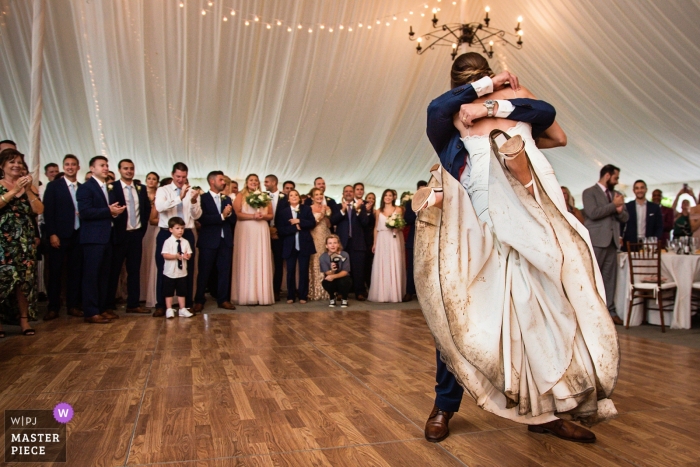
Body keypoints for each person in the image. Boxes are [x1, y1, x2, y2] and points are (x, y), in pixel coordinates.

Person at [417, 53, 616, 444]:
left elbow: (549, 117)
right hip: (477, 227)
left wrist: (496, 103)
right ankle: (444, 404)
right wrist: (485, 90)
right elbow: (436, 107)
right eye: (474, 82)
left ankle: (547, 412)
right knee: (462, 312)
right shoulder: (450, 116)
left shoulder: (516, 100)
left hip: (535, 220)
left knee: (541, 312)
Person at [0, 149, 43, 336]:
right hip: (3, 241)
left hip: (24, 241)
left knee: (24, 281)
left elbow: (39, 210)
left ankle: (24, 320)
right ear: (2, 166)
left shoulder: (28, 187)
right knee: (3, 281)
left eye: (19, 162)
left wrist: (27, 191)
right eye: (12, 162)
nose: (16, 165)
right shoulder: (0, 185)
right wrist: (14, 191)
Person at [77, 156, 124, 324]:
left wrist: (115, 211)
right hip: (93, 238)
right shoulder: (86, 188)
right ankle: (91, 311)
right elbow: (85, 212)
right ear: (92, 168)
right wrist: (108, 211)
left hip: (108, 236)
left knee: (105, 275)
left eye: (106, 165)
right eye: (102, 165)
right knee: (91, 275)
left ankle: (102, 308)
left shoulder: (108, 188)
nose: (105, 168)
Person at [582, 164, 629, 325]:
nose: (617, 182)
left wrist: (619, 210)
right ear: (607, 176)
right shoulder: (589, 192)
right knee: (593, 277)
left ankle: (610, 311)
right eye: (616, 178)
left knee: (610, 279)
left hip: (612, 242)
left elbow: (625, 218)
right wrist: (613, 206)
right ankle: (590, 312)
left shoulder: (616, 194)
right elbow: (592, 213)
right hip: (597, 240)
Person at [153, 163, 201, 317]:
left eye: (184, 177)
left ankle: (185, 305)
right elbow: (160, 207)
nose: (181, 180)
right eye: (178, 176)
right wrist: (178, 197)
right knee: (164, 268)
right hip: (167, 233)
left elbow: (197, 216)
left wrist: (193, 201)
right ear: (173, 175)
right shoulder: (163, 190)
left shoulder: (192, 191)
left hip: (186, 232)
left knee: (187, 269)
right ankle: (162, 305)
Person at [106, 159, 151, 314]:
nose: (129, 171)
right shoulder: (112, 188)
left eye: (131, 168)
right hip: (119, 235)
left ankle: (133, 304)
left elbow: (146, 209)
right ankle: (109, 304)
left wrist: (141, 230)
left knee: (134, 271)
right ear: (119, 170)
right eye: (125, 168)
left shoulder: (140, 188)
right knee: (114, 271)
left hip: (136, 235)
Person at [43, 154, 84, 320]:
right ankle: (53, 307)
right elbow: (48, 212)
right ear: (63, 167)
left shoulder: (83, 187)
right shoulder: (54, 186)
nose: (70, 167)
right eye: (67, 164)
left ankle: (73, 305)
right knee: (56, 272)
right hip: (59, 235)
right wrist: (52, 233)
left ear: (78, 167)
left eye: (73, 164)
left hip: (78, 235)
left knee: (75, 272)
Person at [193, 171, 237, 312]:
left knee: (224, 271)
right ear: (212, 181)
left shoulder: (227, 199)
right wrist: (222, 216)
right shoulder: (202, 198)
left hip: (225, 240)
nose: (224, 182)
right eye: (221, 180)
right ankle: (199, 300)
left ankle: (223, 299)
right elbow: (202, 219)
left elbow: (234, 220)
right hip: (208, 240)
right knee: (204, 272)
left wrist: (229, 214)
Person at [231, 174, 274, 305]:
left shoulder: (265, 196)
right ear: (246, 182)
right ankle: (246, 294)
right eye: (251, 180)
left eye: (256, 180)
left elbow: (271, 214)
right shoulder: (240, 195)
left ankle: (261, 294)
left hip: (261, 229)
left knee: (259, 258)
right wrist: (252, 216)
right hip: (246, 229)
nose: (253, 182)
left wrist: (263, 216)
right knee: (247, 258)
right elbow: (237, 213)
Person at [276, 189, 316, 303]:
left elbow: (312, 223)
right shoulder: (283, 212)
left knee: (303, 270)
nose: (294, 197)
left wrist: (299, 221)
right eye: (291, 195)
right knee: (290, 271)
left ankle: (303, 295)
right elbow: (281, 229)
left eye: (296, 195)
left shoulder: (306, 209)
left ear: (299, 198)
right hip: (290, 245)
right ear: (288, 199)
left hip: (304, 244)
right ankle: (290, 296)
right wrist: (294, 228)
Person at [331, 185, 369, 300]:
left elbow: (365, 222)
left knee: (358, 269)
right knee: (342, 269)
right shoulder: (337, 206)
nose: (348, 193)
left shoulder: (361, 206)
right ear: (343, 193)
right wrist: (342, 211)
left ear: (354, 193)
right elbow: (333, 220)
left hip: (357, 243)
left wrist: (357, 210)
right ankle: (342, 293)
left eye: (350, 191)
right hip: (342, 243)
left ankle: (359, 292)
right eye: (346, 191)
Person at [368, 189, 406, 302]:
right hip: (382, 238)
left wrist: (397, 228)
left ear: (393, 197)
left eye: (390, 195)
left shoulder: (398, 209)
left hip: (393, 238)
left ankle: (394, 294)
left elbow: (402, 225)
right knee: (382, 264)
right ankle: (382, 294)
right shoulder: (378, 211)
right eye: (386, 195)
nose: (388, 197)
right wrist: (374, 243)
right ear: (383, 197)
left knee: (394, 262)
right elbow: (376, 227)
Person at [161, 217, 194, 318]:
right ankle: (169, 309)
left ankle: (182, 309)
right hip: (170, 272)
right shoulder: (168, 242)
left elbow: (189, 253)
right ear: (171, 229)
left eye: (182, 228)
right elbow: (164, 255)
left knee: (182, 291)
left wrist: (187, 256)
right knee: (168, 291)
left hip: (182, 272)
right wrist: (175, 256)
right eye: (177, 228)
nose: (180, 230)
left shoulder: (185, 242)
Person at [621, 179, 663, 249]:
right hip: (630, 243)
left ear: (646, 189)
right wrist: (620, 237)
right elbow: (621, 224)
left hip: (649, 243)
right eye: (637, 188)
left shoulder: (655, 207)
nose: (639, 190)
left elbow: (659, 226)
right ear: (633, 191)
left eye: (642, 188)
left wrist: (655, 239)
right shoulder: (627, 206)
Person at [264, 174, 287, 301]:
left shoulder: (285, 198)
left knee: (278, 263)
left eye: (267, 182)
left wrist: (276, 230)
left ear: (274, 182)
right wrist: (268, 229)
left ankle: (276, 290)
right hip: (264, 233)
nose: (265, 184)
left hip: (279, 235)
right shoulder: (261, 196)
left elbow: (287, 217)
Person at [307, 188, 332, 301]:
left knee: (326, 261)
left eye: (320, 194)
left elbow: (329, 225)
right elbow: (310, 225)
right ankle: (315, 290)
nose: (319, 196)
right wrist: (320, 216)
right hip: (314, 237)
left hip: (325, 236)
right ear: (312, 197)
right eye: (316, 194)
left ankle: (327, 291)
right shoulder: (309, 209)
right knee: (315, 261)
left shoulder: (326, 208)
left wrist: (327, 215)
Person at [403, 181, 426, 301]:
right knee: (411, 266)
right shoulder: (410, 203)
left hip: (427, 240)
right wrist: (418, 211)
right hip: (413, 239)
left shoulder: (432, 203)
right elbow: (407, 219)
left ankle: (424, 293)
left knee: (425, 267)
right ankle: (409, 291)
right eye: (420, 189)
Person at [140, 172, 160, 308]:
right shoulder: (141, 192)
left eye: (154, 179)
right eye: (149, 178)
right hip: (146, 225)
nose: (151, 181)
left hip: (158, 225)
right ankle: (144, 291)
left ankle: (152, 290)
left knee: (154, 256)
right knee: (145, 255)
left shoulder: (160, 194)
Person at [320, 235, 352, 307]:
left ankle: (344, 298)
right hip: (331, 278)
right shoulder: (323, 257)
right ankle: (332, 297)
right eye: (330, 243)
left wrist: (334, 276)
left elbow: (345, 271)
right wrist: (332, 270)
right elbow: (327, 272)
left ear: (338, 244)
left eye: (335, 243)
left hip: (343, 278)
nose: (332, 245)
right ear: (326, 246)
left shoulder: (344, 254)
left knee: (345, 281)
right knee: (326, 282)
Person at [363, 192, 377, 290]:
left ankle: (370, 284)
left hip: (372, 238)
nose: (370, 200)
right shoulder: (362, 210)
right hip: (364, 238)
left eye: (372, 198)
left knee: (370, 263)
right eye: (369, 198)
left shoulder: (376, 212)